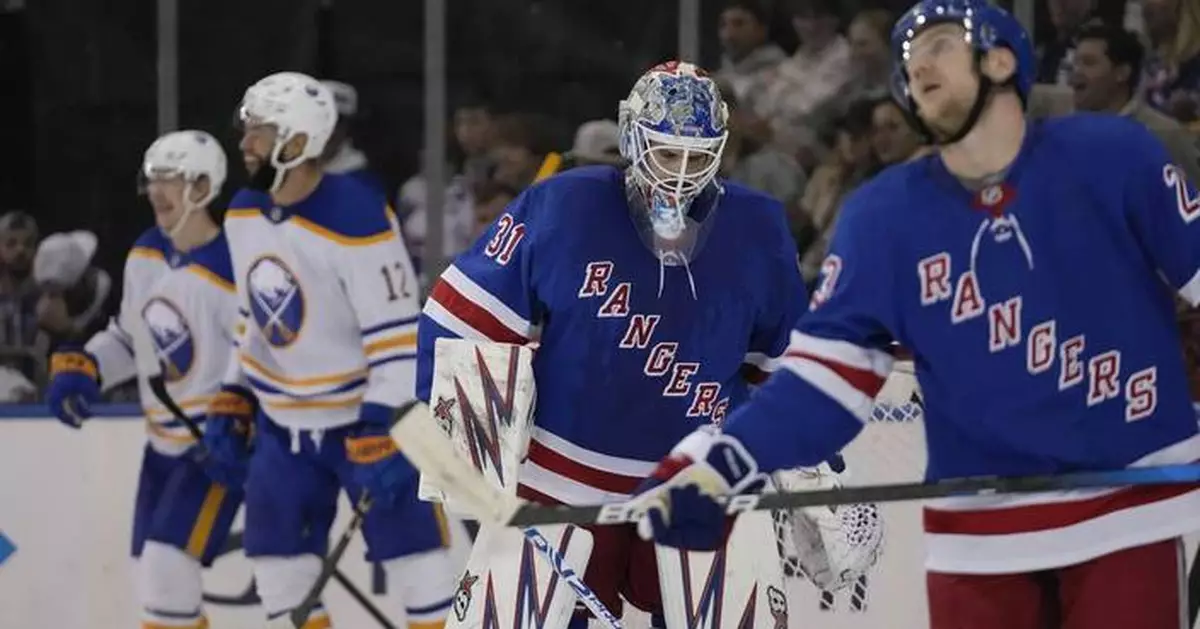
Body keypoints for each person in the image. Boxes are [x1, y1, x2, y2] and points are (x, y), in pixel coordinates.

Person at [633, 3, 1200, 629]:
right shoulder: (883, 217)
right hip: (978, 538)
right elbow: (822, 384)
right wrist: (725, 462)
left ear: (1001, 57)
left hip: (1129, 513)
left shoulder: (1113, 156)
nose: (916, 62)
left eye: (935, 44)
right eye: (906, 56)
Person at [416, 61, 809, 627]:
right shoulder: (560, 207)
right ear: (631, 138)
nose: (679, 177)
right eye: (666, 154)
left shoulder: (758, 228)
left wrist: (813, 465)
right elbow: (464, 317)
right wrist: (471, 458)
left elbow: (790, 365)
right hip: (557, 490)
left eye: (697, 158)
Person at [208, 71, 460, 629]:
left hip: (365, 425)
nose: (246, 143)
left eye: (260, 132)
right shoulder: (243, 214)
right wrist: (234, 391)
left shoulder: (359, 216)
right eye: (247, 130)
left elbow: (398, 336)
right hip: (282, 430)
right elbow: (252, 316)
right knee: (278, 574)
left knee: (427, 572)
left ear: (297, 139)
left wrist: (381, 426)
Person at [44, 130, 244, 629]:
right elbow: (133, 340)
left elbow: (261, 359)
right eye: (153, 178)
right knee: (156, 582)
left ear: (202, 186)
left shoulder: (232, 268)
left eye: (170, 179)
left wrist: (242, 420)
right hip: (162, 449)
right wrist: (88, 366)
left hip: (214, 447)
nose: (156, 190)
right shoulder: (147, 253)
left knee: (167, 568)